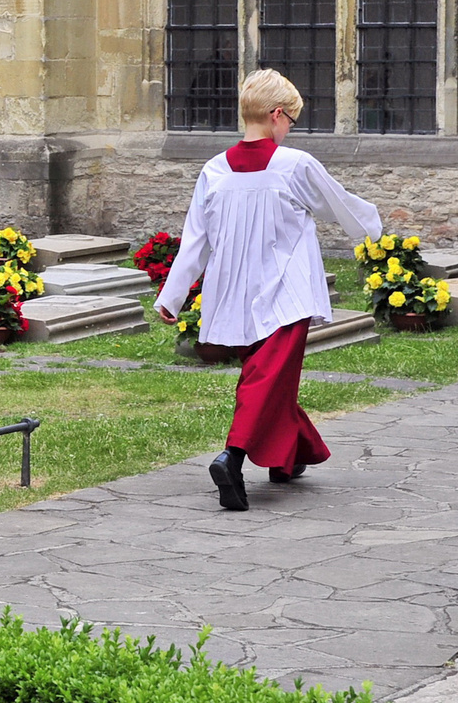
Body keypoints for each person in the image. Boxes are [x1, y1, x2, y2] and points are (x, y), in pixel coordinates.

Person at [156, 69, 381, 512]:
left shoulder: (214, 170)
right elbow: (339, 204)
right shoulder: (294, 165)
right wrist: (372, 226)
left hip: (235, 294)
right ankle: (232, 457)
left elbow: (196, 238)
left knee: (270, 377)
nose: (290, 129)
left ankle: (291, 458)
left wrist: (172, 295)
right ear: (277, 115)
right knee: (266, 378)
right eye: (291, 120)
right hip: (285, 293)